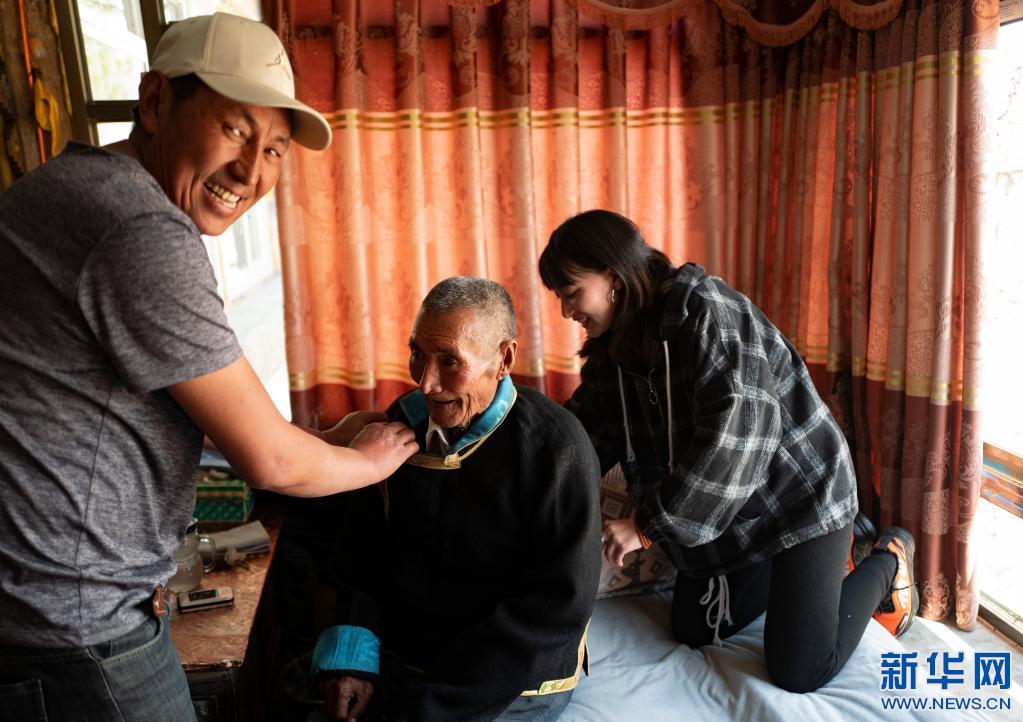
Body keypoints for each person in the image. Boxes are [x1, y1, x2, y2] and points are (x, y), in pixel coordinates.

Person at [0, 13, 416, 720]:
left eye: (275, 149)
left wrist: (321, 443)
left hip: (42, 614)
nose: (252, 171)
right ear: (155, 100)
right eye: (234, 129)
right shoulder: (138, 228)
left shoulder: (76, 186)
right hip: (75, 629)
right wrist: (372, 461)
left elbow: (188, 407)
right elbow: (270, 462)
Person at [538, 209, 918, 694]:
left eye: (572, 293)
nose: (566, 311)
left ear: (613, 275)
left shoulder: (705, 310)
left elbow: (738, 438)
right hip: (736, 513)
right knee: (694, 629)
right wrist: (526, 479)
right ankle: (803, 575)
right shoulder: (614, 353)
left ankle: (886, 556)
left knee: (801, 670)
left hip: (801, 496)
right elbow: (580, 437)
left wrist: (645, 527)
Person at [309, 276, 602, 721]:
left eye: (449, 361)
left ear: (504, 359)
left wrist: (432, 706)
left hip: (509, 677)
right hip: (408, 656)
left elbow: (556, 608)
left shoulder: (557, 449)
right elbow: (362, 554)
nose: (426, 383)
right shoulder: (398, 427)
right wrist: (352, 661)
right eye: (417, 354)